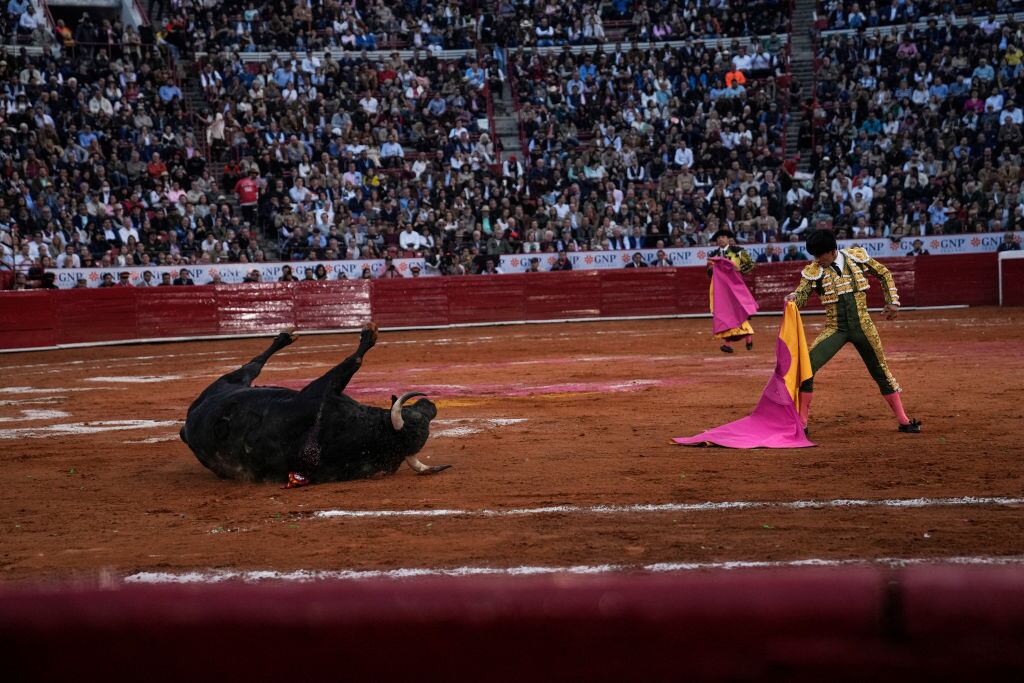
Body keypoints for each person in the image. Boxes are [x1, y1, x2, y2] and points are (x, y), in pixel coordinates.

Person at [785, 229, 921, 434]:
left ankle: (904, 421)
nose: (817, 260)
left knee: (880, 371)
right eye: (814, 255)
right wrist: (794, 297)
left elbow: (884, 273)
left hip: (863, 327)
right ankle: (802, 423)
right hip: (835, 329)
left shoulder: (856, 258)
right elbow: (802, 293)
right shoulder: (814, 270)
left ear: (832, 251)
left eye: (820, 255)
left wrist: (892, 301)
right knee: (806, 369)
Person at [706, 229, 755, 353]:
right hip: (722, 290)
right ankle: (728, 344)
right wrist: (712, 269)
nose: (721, 239)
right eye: (718, 238)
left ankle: (748, 336)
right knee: (724, 313)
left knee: (737, 312)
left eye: (723, 237)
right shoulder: (713, 255)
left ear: (728, 239)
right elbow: (709, 273)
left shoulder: (738, 251)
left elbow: (751, 264)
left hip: (735, 287)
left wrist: (739, 268)